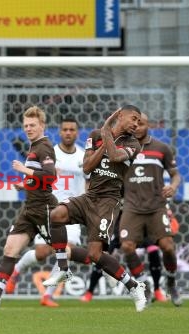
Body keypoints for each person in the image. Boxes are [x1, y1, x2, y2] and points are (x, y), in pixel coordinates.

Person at [47, 105, 148, 312]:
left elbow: (115, 157)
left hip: (108, 202)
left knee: (95, 255)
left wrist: (106, 133)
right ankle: (63, 269)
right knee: (56, 215)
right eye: (134, 119)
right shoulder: (95, 135)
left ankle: (134, 286)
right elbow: (86, 167)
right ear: (120, 116)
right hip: (90, 196)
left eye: (139, 121)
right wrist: (104, 134)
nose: (137, 124)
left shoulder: (134, 144)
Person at [0, 105, 70, 309]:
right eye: (25, 125)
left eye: (33, 125)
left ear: (42, 126)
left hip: (43, 207)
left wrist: (24, 170)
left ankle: (121, 279)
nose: (28, 128)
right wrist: (24, 184)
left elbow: (50, 177)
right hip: (29, 209)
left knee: (74, 253)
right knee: (10, 248)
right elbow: (40, 179)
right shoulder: (34, 147)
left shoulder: (44, 146)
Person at [5, 117, 91, 307]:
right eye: (65, 129)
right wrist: (24, 184)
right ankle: (16, 271)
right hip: (49, 208)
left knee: (65, 250)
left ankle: (48, 295)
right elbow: (40, 176)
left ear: (77, 133)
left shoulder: (83, 157)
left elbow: (88, 182)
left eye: (72, 129)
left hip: (72, 210)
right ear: (60, 132)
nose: (68, 132)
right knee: (43, 252)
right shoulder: (50, 152)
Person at [118, 112, 183, 306]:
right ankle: (143, 283)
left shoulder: (161, 148)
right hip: (131, 207)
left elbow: (175, 174)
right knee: (127, 247)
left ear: (149, 126)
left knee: (168, 246)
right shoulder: (122, 149)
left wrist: (173, 186)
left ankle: (171, 282)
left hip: (156, 207)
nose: (137, 127)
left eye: (142, 124)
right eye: (134, 123)